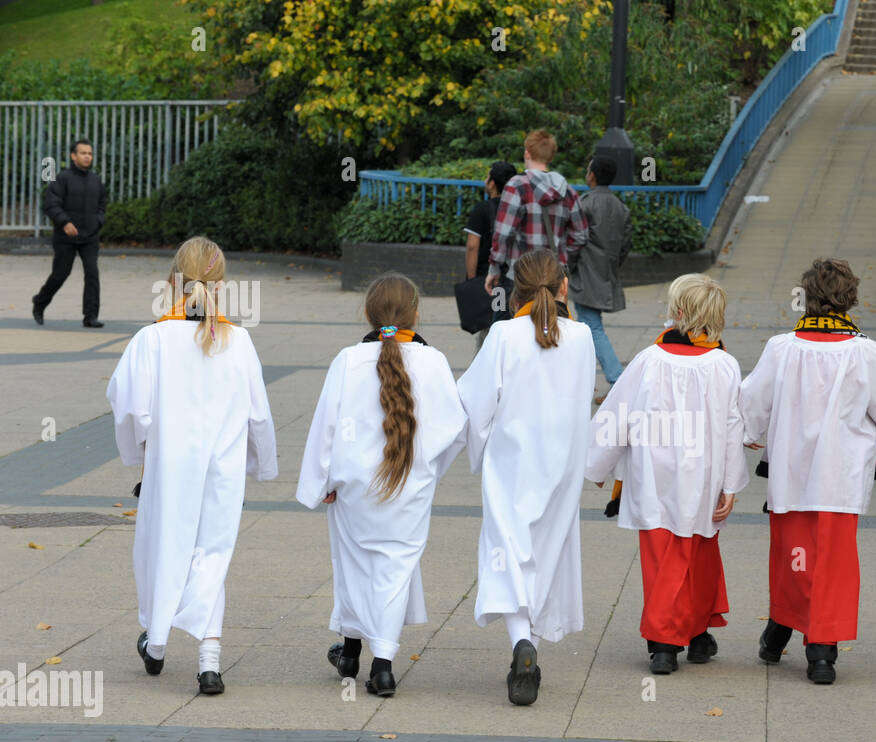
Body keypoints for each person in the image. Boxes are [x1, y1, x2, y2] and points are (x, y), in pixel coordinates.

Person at [741, 258, 876, 684]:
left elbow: (752, 400)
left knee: (793, 558)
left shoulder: (781, 348)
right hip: (840, 477)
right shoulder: (865, 352)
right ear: (850, 299)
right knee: (833, 564)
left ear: (805, 298)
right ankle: (821, 652)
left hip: (791, 474)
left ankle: (779, 630)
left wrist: (749, 432)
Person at [106, 236, 277, 695]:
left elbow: (128, 408)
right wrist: (261, 464)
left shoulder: (153, 339)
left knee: (164, 549)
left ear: (174, 279)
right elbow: (258, 414)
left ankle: (157, 644)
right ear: (221, 285)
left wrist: (140, 455)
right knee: (212, 555)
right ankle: (209, 661)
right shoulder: (238, 341)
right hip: (222, 470)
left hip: (169, 467)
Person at [297, 273, 467, 698]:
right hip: (409, 484)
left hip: (354, 486)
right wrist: (427, 472)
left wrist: (322, 482)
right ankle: (384, 664)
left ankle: (351, 651)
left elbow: (326, 427)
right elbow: (455, 429)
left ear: (368, 313)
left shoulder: (348, 360)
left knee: (354, 566)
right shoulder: (435, 361)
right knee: (395, 569)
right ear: (416, 312)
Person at [586, 273, 747, 675]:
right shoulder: (724, 365)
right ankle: (683, 635)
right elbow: (732, 427)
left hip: (652, 476)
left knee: (662, 556)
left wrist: (598, 463)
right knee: (695, 553)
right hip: (703, 477)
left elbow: (618, 412)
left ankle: (667, 642)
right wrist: (730, 483)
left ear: (676, 314)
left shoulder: (649, 360)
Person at [458, 248, 596, 706]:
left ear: (514, 290)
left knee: (506, 553)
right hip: (561, 465)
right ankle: (529, 646)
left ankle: (522, 641)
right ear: (564, 287)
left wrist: (475, 451)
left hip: (512, 464)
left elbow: (475, 404)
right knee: (547, 553)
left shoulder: (503, 335)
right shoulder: (580, 337)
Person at [484, 130, 588, 298]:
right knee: (549, 322)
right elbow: (581, 236)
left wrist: (494, 267)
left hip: (522, 274)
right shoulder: (568, 191)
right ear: (551, 157)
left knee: (516, 322)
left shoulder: (516, 186)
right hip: (555, 276)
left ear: (527, 153)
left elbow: (503, 233)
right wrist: (562, 255)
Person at [569, 156, 632, 391]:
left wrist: (568, 266)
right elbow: (626, 244)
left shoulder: (584, 204)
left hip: (585, 274)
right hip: (606, 272)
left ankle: (617, 379)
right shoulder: (620, 207)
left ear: (591, 175)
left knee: (591, 327)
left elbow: (575, 240)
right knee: (588, 326)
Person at [33, 139, 106, 327]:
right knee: (60, 274)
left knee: (92, 273)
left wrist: (98, 222)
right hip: (65, 237)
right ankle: (39, 302)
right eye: (83, 153)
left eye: (90, 153)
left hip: (89, 237)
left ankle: (90, 316)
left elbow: (102, 206)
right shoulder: (62, 178)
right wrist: (64, 222)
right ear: (73, 156)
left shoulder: (96, 181)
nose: (87, 156)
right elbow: (50, 204)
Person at [464, 160, 517, 352]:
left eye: (487, 177)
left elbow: (472, 246)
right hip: (513, 278)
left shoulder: (482, 209)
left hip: (489, 279)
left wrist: (471, 279)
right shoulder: (518, 208)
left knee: (489, 328)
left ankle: (484, 370)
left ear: (492, 183)